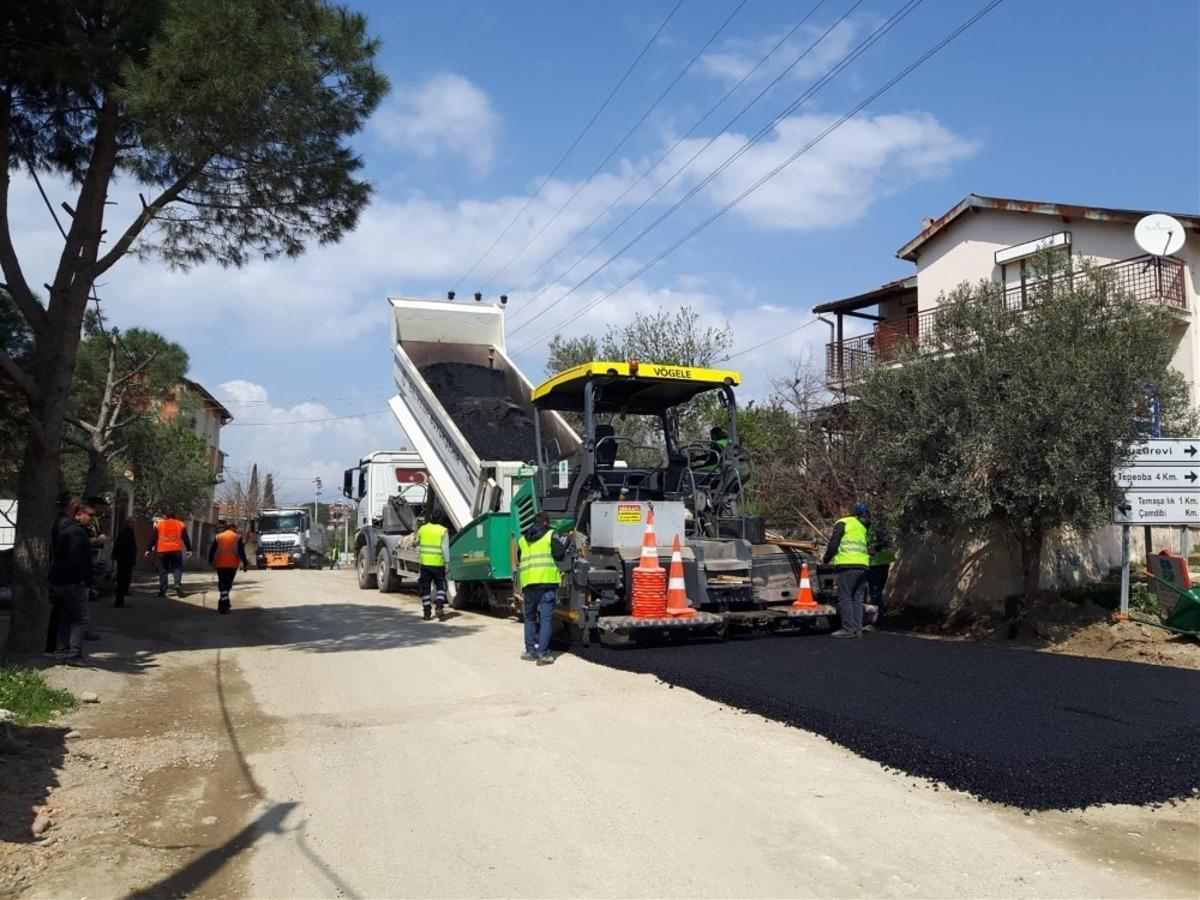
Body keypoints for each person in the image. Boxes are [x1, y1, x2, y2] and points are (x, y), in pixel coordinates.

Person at [516, 511, 566, 665]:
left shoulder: (523, 539)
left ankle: (530, 651)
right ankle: (542, 654)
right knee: (545, 620)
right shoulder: (551, 534)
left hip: (529, 585)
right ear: (546, 522)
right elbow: (559, 554)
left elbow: (519, 558)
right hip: (546, 582)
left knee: (530, 618)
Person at [50, 502, 96, 666]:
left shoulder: (67, 530)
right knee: (79, 619)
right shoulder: (76, 532)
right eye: (89, 515)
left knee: (64, 618)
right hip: (71, 583)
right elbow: (77, 559)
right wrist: (83, 579)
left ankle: (61, 654)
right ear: (79, 514)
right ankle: (74, 655)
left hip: (60, 581)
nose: (92, 519)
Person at [823, 501, 870, 639]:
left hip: (848, 565)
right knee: (857, 598)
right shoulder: (860, 526)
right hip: (863, 566)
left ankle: (848, 629)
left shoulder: (842, 523)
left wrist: (826, 559)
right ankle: (857, 629)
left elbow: (834, 544)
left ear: (844, 510)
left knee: (845, 597)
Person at [45, 493, 80, 654]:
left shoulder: (61, 522)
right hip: (64, 574)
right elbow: (70, 549)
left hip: (61, 572)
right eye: (77, 503)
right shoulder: (65, 524)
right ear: (72, 504)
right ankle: (59, 648)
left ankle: (54, 646)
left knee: (60, 611)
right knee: (65, 614)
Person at [208, 520, 249, 614]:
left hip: (220, 564)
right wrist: (245, 563)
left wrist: (210, 561)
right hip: (232, 565)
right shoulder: (237, 537)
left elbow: (212, 550)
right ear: (233, 528)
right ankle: (225, 605)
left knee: (223, 584)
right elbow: (241, 552)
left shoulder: (218, 537)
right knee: (227, 585)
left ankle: (222, 604)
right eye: (235, 529)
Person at [146, 513, 191, 597]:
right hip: (176, 550)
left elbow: (153, 537)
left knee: (163, 570)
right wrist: (189, 549)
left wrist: (149, 549)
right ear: (175, 517)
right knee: (177, 568)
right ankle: (177, 584)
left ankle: (163, 591)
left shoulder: (159, 524)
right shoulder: (181, 524)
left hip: (162, 551)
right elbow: (185, 538)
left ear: (166, 517)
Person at [416, 515, 450, 621]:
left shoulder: (422, 529)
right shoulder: (443, 530)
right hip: (438, 564)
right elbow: (445, 549)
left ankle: (427, 613)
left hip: (425, 564)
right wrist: (447, 563)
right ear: (440, 520)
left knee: (425, 588)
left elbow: (417, 543)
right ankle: (439, 607)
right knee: (441, 587)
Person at [867, 519, 894, 629]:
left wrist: (874, 549)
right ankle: (880, 615)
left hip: (876, 563)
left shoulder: (872, 527)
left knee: (875, 592)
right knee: (877, 592)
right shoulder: (880, 524)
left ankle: (879, 619)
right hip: (883, 562)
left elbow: (883, 542)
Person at [112, 516, 138, 608]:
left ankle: (121, 599)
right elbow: (120, 546)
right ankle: (119, 601)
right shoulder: (125, 533)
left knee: (125, 580)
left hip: (127, 560)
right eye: (132, 524)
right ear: (129, 524)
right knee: (122, 580)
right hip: (124, 560)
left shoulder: (128, 532)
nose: (134, 526)